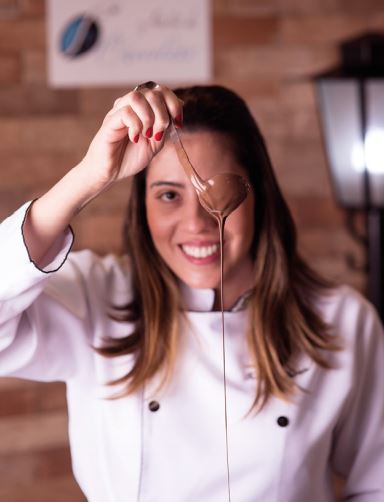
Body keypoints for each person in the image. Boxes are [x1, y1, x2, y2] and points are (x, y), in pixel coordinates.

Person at [0, 83, 383, 502]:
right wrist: (90, 176)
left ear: (260, 196)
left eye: (219, 191)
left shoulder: (342, 321)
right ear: (142, 208)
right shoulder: (96, 299)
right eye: (168, 195)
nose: (198, 223)